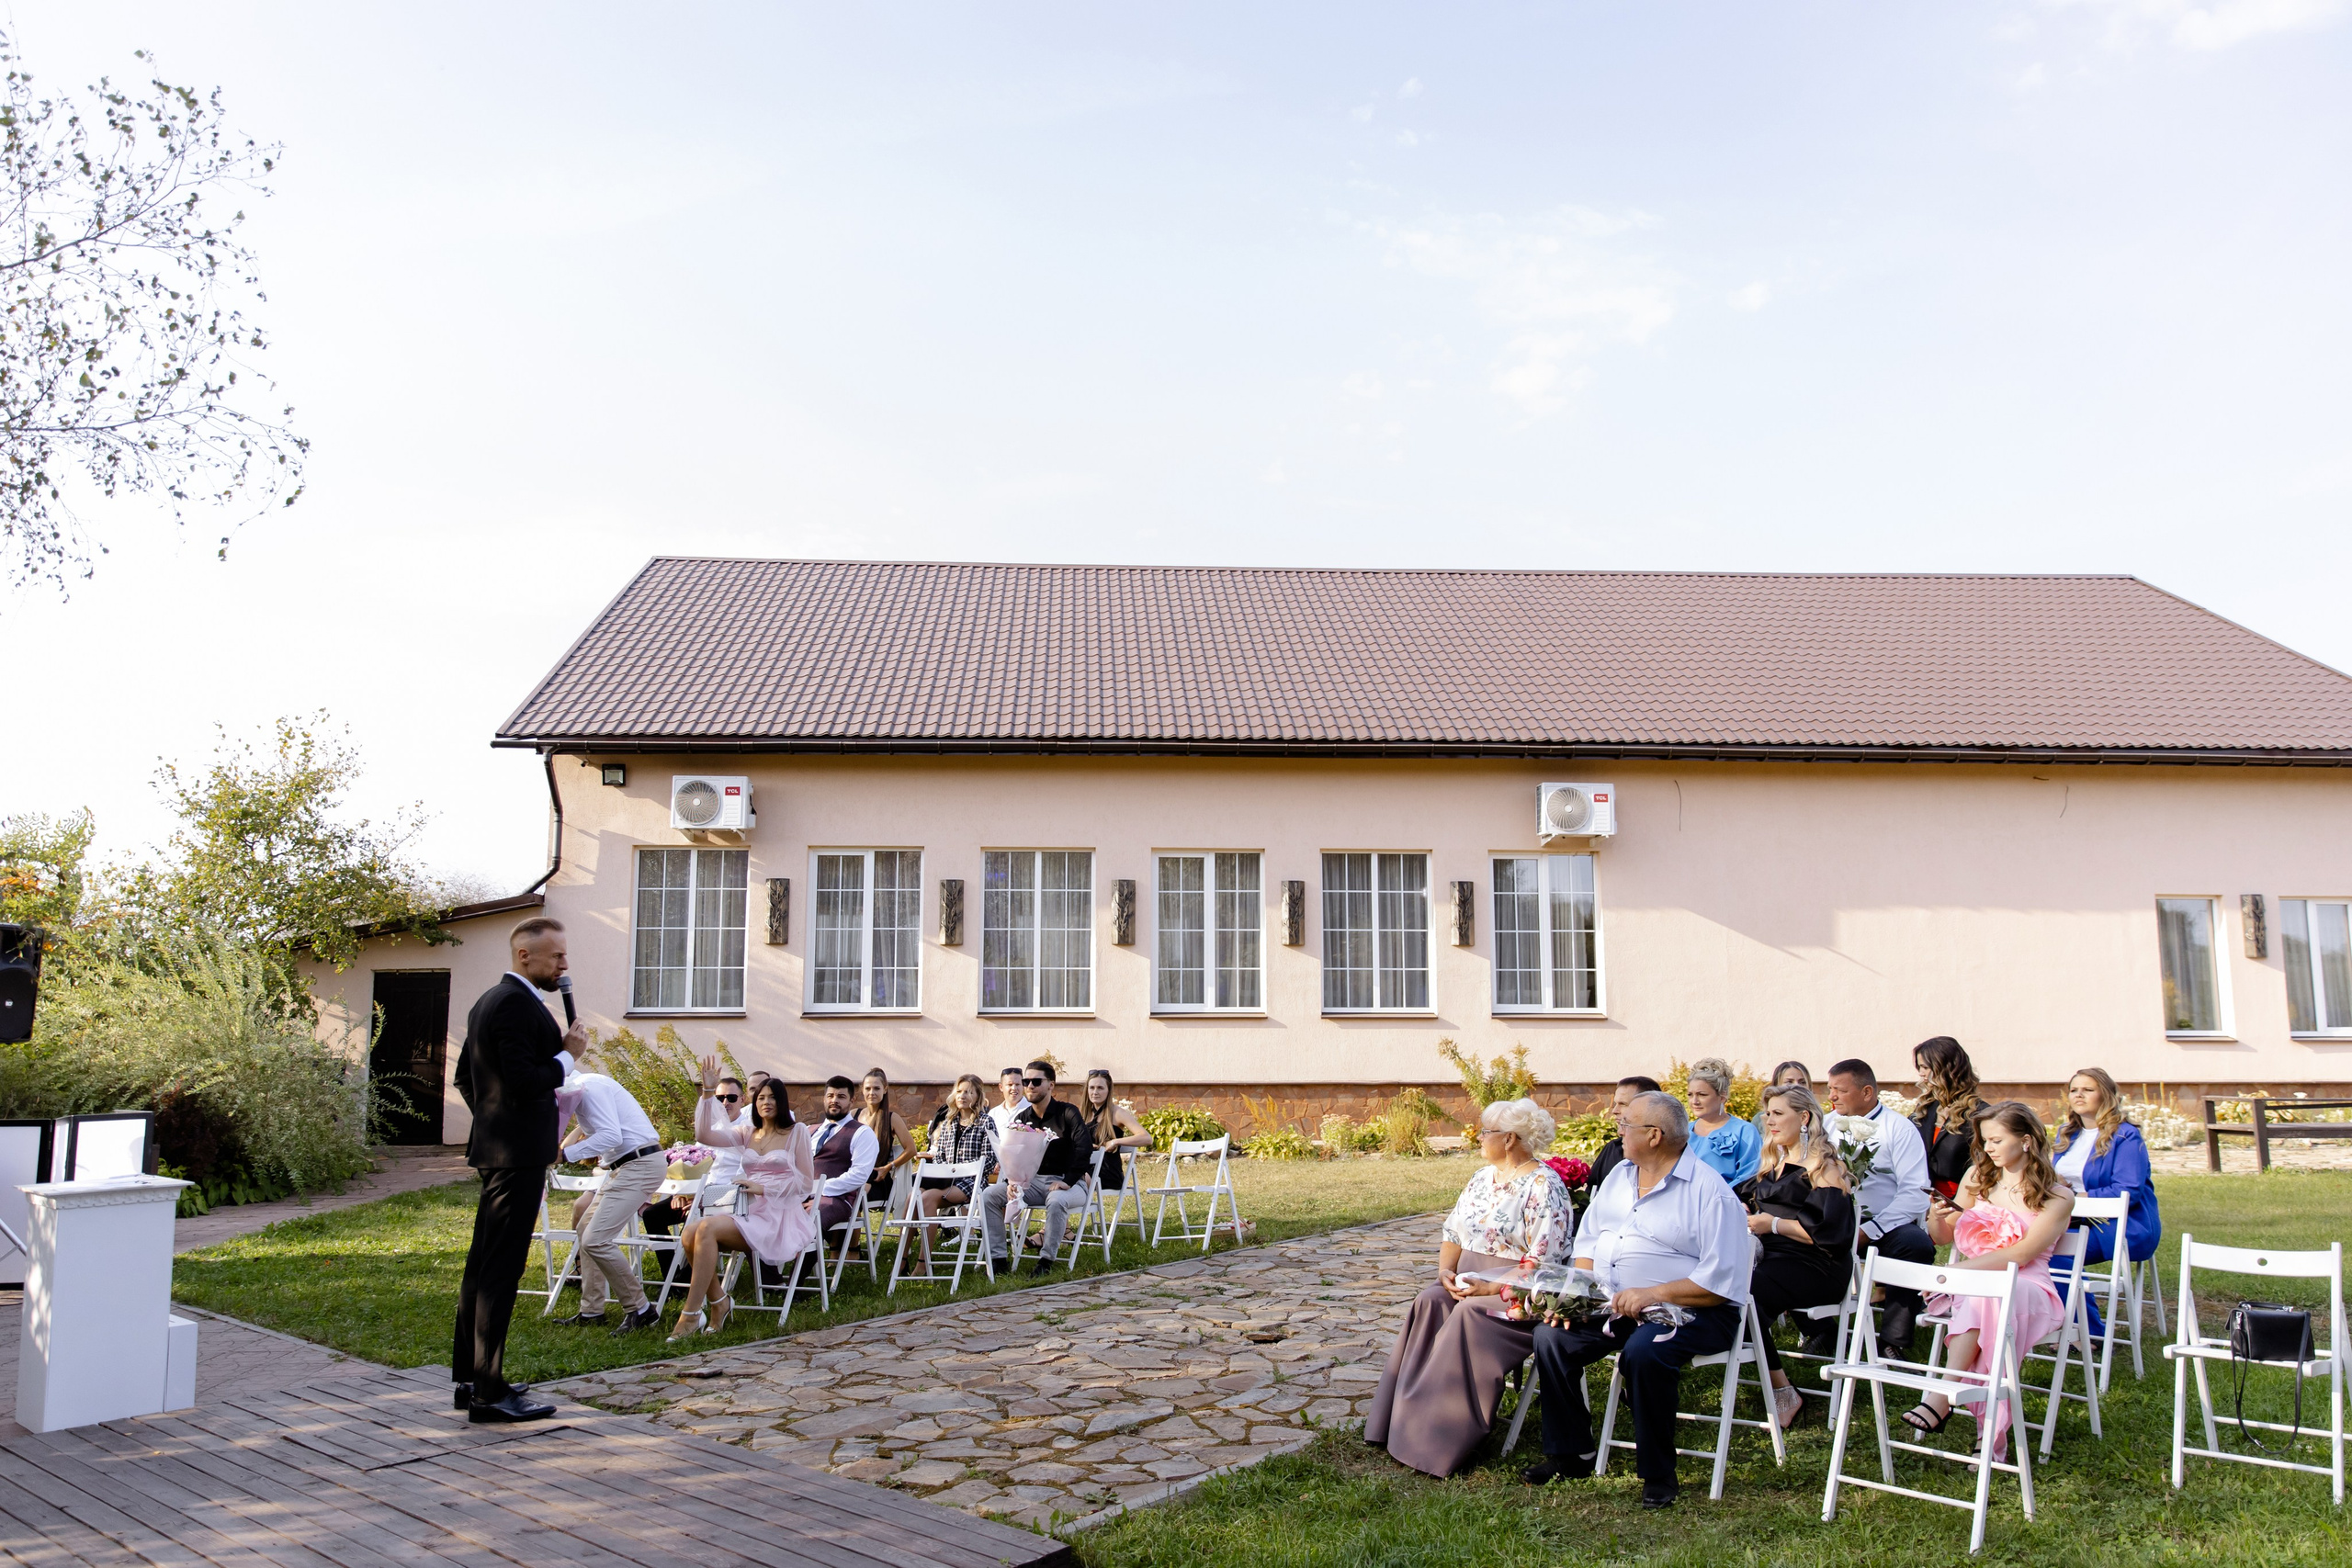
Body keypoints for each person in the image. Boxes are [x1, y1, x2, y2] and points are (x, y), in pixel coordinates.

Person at [1525, 1091, 1751, 1511]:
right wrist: (1579, 1296)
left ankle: (1658, 1472)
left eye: (1626, 1124)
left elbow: (1721, 1282)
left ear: (1654, 1135)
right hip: (1614, 1306)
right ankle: (1571, 1454)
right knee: (1551, 1338)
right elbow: (1588, 1241)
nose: (1619, 1130)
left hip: (1693, 1311)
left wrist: (1653, 1293)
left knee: (1645, 1352)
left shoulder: (1709, 1192)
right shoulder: (1620, 1175)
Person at [1365, 1099, 1572, 1477]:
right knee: (1430, 1300)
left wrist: (1488, 1287)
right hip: (1469, 1281)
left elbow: (1544, 1264)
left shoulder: (1545, 1185)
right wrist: (1446, 1271)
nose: (1478, 1137)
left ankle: (1435, 1440)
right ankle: (1399, 1425)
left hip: (1519, 1295)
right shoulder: (1481, 1177)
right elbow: (1454, 1232)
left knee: (1469, 1314)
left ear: (1509, 1139)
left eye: (1485, 1131)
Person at [450, 916, 584, 1423]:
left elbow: (467, 1078)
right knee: (500, 1270)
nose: (564, 964)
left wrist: (492, 1119)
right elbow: (525, 1080)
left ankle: (471, 1378)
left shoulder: (489, 1001)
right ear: (525, 956)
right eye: (557, 956)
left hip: (501, 1149)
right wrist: (568, 1057)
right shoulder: (512, 1004)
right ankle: (488, 1393)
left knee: (483, 1264)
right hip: (517, 1156)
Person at [1904, 1101, 2074, 1460]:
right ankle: (1987, 1429)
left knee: (1987, 1294)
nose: (1988, 1148)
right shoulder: (1977, 1178)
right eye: (1985, 1141)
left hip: (2030, 1286)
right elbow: (1943, 1237)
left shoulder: (2058, 1195)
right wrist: (1936, 1216)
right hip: (1979, 1287)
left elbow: (2022, 1255)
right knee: (1985, 1297)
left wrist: (1957, 1274)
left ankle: (1942, 1395)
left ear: (2026, 1141)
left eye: (1997, 1140)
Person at [670, 1060, 818, 1340]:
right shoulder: (747, 1132)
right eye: (761, 1098)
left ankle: (690, 1315)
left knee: (706, 1228)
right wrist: (708, 1092)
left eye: (772, 1097)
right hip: (746, 1210)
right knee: (689, 1233)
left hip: (777, 1215)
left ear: (782, 1101)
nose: (766, 1103)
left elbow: (805, 1182)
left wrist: (763, 1188)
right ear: (754, 1103)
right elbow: (704, 1135)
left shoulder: (796, 1132)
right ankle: (719, 1302)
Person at [1745, 1084, 1855, 1429]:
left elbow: (1830, 1234)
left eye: (1778, 1113)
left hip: (1817, 1264)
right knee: (1724, 1287)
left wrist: (1773, 1224)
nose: (1769, 1120)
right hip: (1774, 1260)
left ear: (1804, 1117)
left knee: (1742, 1293)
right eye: (1768, 1113)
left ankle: (1783, 1391)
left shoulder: (1824, 1167)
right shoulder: (1773, 1162)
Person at [1823, 1057, 1933, 1357]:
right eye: (1830, 1089)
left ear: (1867, 1092)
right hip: (1833, 1222)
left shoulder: (1899, 1129)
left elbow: (1915, 1193)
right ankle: (1821, 1332)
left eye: (1840, 1090)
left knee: (1916, 1245)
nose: (1832, 1096)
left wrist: (1870, 1230)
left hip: (1884, 1225)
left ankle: (1892, 1342)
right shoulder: (1825, 1125)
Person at [550, 1064, 667, 1333]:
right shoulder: (583, 1091)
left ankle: (641, 1309)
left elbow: (611, 1135)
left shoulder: (591, 1088)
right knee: (585, 1229)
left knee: (596, 1239)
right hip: (624, 1167)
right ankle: (592, 1311)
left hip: (640, 1164)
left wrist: (565, 1155)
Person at [2048, 1067, 2162, 1335]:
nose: (2079, 1095)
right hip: (2073, 1219)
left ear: (2106, 1095)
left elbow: (2128, 1190)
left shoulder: (2125, 1135)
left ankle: (2088, 1331)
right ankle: (2057, 1324)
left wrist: (2077, 1198)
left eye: (2088, 1090)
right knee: (2025, 1244)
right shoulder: (2067, 1133)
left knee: (2049, 1251)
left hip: (2121, 1225)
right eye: (2074, 1090)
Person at [981, 1061, 1095, 1274]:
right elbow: (1014, 1156)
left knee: (1056, 1199)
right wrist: (1010, 1182)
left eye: (1036, 1081)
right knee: (989, 1195)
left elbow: (1084, 1148)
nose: (1030, 1086)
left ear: (1051, 1085)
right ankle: (998, 1261)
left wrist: (1068, 1181)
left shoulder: (1067, 1113)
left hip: (1070, 1184)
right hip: (1032, 1184)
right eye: (1026, 1081)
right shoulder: (1023, 1119)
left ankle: (1046, 1261)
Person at [640, 1075, 749, 1238]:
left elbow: (743, 1175)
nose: (725, 1103)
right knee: (652, 1215)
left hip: (727, 1199)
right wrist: (682, 1194)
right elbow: (692, 1163)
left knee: (692, 1230)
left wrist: (705, 1200)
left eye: (731, 1098)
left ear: (742, 1099)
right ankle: (673, 1257)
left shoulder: (749, 1130)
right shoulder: (709, 1130)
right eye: (720, 1098)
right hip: (696, 1195)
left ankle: (689, 1255)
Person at [1913, 1035, 1987, 1199]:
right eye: (1919, 1067)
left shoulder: (1980, 1114)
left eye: (1925, 1067)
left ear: (1946, 1069)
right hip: (1921, 1197)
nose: (1921, 1073)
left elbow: (1984, 1168)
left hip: (1961, 1201)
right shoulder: (1925, 1108)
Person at [809, 1076, 880, 1249]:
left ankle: (801, 1268)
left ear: (852, 1100)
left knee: (810, 1221)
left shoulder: (862, 1133)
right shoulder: (808, 1131)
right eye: (830, 1096)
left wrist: (819, 1189)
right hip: (800, 1196)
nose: (834, 1100)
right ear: (824, 1099)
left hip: (836, 1199)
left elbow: (859, 1175)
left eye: (841, 1097)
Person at [854, 1067, 921, 1248]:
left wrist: (889, 1167)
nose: (872, 1093)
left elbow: (911, 1150)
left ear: (885, 1089)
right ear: (862, 1090)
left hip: (878, 1179)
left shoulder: (892, 1118)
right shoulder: (854, 1115)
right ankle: (842, 1246)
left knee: (852, 1196)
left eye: (876, 1088)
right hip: (856, 1175)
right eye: (868, 1088)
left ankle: (852, 1248)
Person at [921, 1073, 1000, 1223]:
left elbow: (989, 1160)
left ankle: (927, 1240)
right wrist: (947, 1172)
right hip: (946, 1179)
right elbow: (939, 1156)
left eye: (968, 1092)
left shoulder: (985, 1122)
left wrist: (958, 1170)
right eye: (959, 1091)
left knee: (928, 1198)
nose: (962, 1096)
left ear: (977, 1096)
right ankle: (906, 1239)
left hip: (972, 1181)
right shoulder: (948, 1122)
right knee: (914, 1195)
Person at [1685, 1057, 1762, 1190]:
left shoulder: (1745, 1131)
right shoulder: (1683, 1130)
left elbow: (1749, 1177)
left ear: (1722, 1096)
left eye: (1702, 1094)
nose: (1694, 1101)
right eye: (1690, 1095)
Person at [1080, 1069, 1152, 1201]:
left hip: (1107, 1172)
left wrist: (1115, 1142)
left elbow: (1146, 1138)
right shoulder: (1084, 1114)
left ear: (1108, 1091)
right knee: (1061, 1177)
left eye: (1100, 1088)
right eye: (1092, 1088)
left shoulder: (1117, 1113)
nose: (1095, 1092)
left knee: (1074, 1180)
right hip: (1086, 1167)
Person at [1588, 1076, 1660, 1190]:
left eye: (1623, 1104)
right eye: (1615, 1104)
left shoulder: (1666, 1157)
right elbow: (1592, 1192)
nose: (1615, 1111)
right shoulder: (1612, 1149)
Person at [1751, 1061, 1812, 1138]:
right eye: (1789, 1082)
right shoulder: (1760, 1120)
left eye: (1802, 1082)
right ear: (1777, 1086)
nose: (1797, 1086)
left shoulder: (1819, 1119)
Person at [988, 1066, 1025, 1144]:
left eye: (1017, 1084)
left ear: (1023, 1086)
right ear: (1001, 1087)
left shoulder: (1032, 1109)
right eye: (1010, 1084)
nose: (1014, 1088)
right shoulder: (993, 1114)